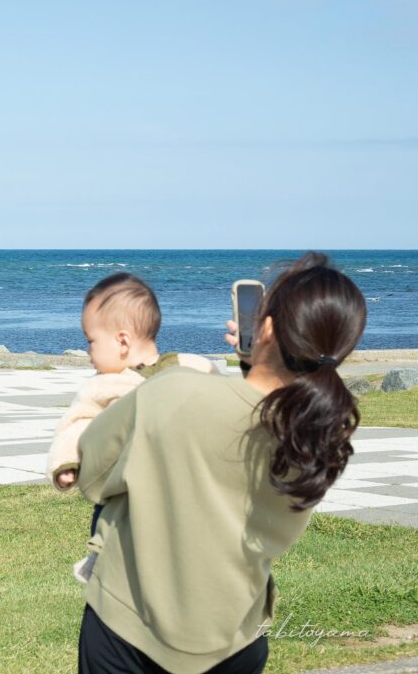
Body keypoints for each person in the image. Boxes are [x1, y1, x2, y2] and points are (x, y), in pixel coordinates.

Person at [73, 253, 366, 674]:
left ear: (264, 328)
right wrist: (255, 367)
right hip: (237, 641)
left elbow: (92, 473)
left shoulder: (172, 391)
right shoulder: (316, 436)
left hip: (128, 631)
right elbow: (252, 416)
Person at [45, 273, 217, 584]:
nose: (87, 351)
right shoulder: (100, 388)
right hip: (128, 487)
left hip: (182, 482)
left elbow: (217, 392)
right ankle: (100, 559)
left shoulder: (188, 365)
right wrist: (66, 464)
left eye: (91, 341)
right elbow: (75, 424)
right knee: (112, 519)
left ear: (122, 341)